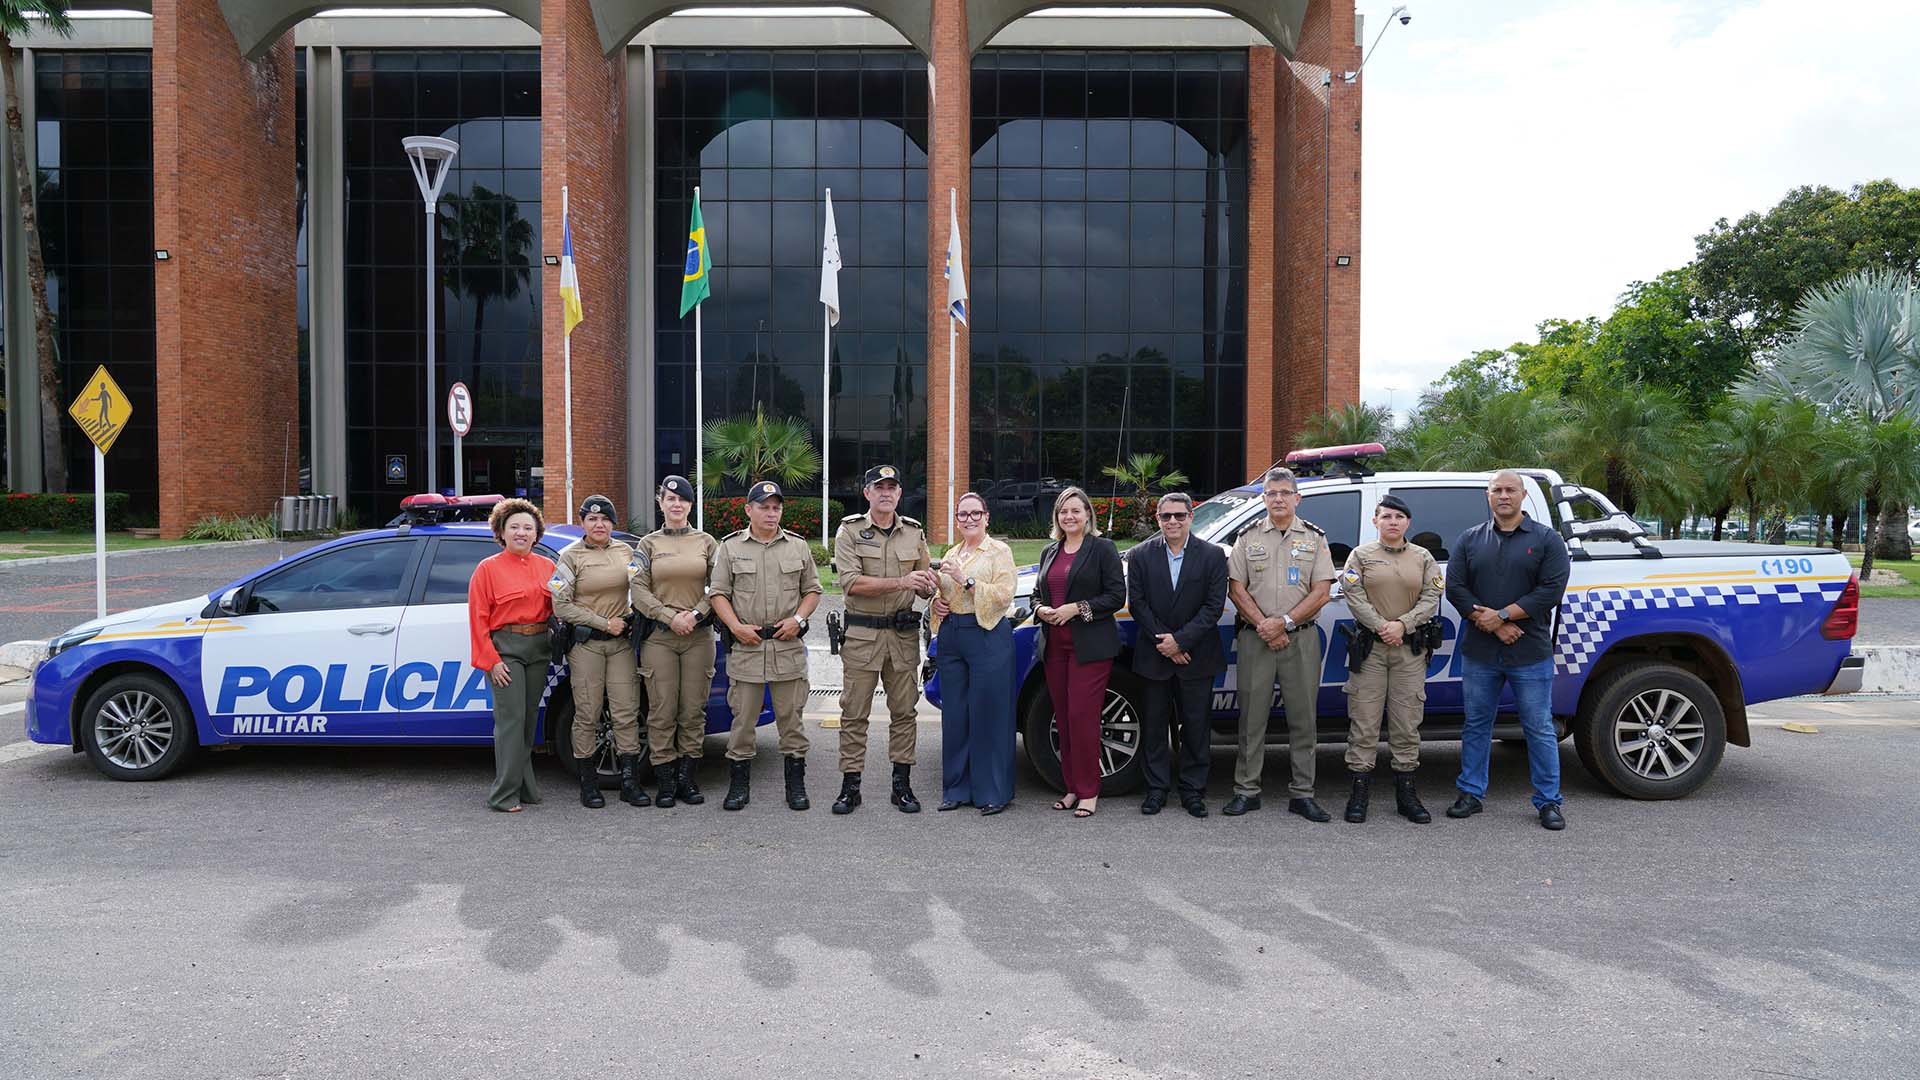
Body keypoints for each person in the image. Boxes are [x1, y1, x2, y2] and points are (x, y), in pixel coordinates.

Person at [1444, 469, 1573, 830]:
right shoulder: (1469, 540)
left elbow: (1550, 590)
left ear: (1522, 496)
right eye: (1497, 490)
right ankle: (1471, 792)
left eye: (1510, 490)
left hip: (1529, 651)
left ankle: (1548, 801)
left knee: (1539, 727)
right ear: (1488, 496)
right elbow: (1456, 588)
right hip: (1480, 652)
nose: (1504, 495)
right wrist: (1496, 624)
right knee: (1477, 725)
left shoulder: (1547, 541)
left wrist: (1500, 615)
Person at [1225, 467, 1336, 821]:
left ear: (1297, 497)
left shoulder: (1315, 539)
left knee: (1303, 719)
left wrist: (1284, 623)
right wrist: (1264, 625)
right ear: (1263, 498)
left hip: (1300, 638)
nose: (1277, 499)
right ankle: (1247, 790)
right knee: (1251, 719)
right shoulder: (1248, 537)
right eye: (1271, 493)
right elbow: (1235, 587)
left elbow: (1322, 591)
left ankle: (1303, 793)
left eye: (1285, 493)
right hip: (1255, 637)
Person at [710, 481, 823, 812]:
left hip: (786, 645)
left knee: (791, 720)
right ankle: (739, 786)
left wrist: (799, 621)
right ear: (749, 510)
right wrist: (734, 627)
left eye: (776, 507)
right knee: (743, 720)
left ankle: (796, 786)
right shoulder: (731, 548)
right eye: (764, 506)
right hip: (747, 645)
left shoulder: (798, 547)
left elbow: (813, 590)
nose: (771, 513)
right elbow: (718, 593)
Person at [831, 464, 936, 815]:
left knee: (904, 713)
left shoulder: (913, 532)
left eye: (892, 487)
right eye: (879, 487)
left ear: (899, 494)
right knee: (854, 713)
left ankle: (901, 786)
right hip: (862, 635)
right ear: (867, 493)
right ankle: (850, 787)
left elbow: (925, 581)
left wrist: (936, 586)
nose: (886, 493)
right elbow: (851, 582)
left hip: (903, 636)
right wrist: (903, 582)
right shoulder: (849, 532)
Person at [1338, 494, 1444, 824]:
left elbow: (1432, 595)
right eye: (1386, 516)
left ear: (1408, 523)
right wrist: (1382, 626)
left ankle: (1406, 793)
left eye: (1399, 516)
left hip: (1409, 650)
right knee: (1364, 721)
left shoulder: (1423, 557)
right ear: (1375, 522)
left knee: (1407, 721)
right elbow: (1353, 595)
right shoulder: (1361, 556)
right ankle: (1359, 791)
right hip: (1370, 649)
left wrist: (1403, 625)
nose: (1393, 522)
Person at [1126, 492, 1229, 818]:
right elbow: (1137, 604)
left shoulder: (1213, 556)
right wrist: (1167, 644)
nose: (1173, 521)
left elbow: (1213, 607)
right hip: (1154, 655)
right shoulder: (1141, 555)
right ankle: (1156, 789)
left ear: (1191, 517)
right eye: (1166, 516)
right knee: (1154, 725)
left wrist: (1181, 642)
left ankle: (1193, 790)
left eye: (1179, 516)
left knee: (1196, 727)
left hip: (1197, 655)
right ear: (1158, 519)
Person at [1032, 486, 1126, 818]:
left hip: (1090, 647)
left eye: (1075, 510)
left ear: (1088, 514)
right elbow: (1036, 594)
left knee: (1082, 718)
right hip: (1054, 647)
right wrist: (1041, 610)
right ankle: (1071, 787)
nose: (1069, 516)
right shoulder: (1049, 552)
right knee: (1064, 718)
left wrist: (1077, 608)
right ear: (1057, 517)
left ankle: (1089, 791)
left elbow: (1116, 595)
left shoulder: (1102, 549)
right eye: (1063, 512)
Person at [549, 494, 647, 810]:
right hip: (587, 645)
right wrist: (604, 622)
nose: (599, 524)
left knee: (625, 710)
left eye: (604, 519)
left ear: (612, 523)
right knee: (588, 712)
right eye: (592, 519)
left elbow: (641, 587)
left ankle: (630, 783)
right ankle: (588, 784)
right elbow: (560, 604)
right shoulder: (569, 557)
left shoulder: (626, 552)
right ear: (583, 523)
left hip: (620, 645)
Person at [630, 475, 718, 808]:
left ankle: (687, 779)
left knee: (693, 709)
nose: (676, 504)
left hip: (698, 636)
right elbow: (638, 589)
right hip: (660, 638)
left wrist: (694, 615)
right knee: (662, 710)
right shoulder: (647, 545)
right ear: (660, 503)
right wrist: (670, 617)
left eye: (682, 499)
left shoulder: (707, 542)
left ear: (691, 505)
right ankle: (665, 780)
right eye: (670, 499)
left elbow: (717, 586)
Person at [929, 492, 1019, 815]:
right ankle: (956, 789)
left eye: (975, 513)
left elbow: (1004, 596)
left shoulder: (999, 552)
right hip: (953, 636)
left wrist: (965, 580)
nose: (969, 519)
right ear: (956, 519)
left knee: (989, 714)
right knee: (955, 715)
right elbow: (943, 595)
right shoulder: (953, 552)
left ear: (987, 517)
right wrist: (937, 604)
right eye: (962, 514)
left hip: (988, 635)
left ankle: (993, 792)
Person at [467, 498, 554, 813]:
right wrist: (491, 661)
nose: (521, 532)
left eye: (528, 528)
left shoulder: (547, 566)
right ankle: (503, 795)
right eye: (514, 527)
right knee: (510, 722)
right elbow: (478, 620)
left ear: (536, 534)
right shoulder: (487, 569)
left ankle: (526, 787)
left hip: (539, 648)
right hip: (506, 651)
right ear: (501, 532)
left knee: (529, 721)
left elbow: (560, 608)